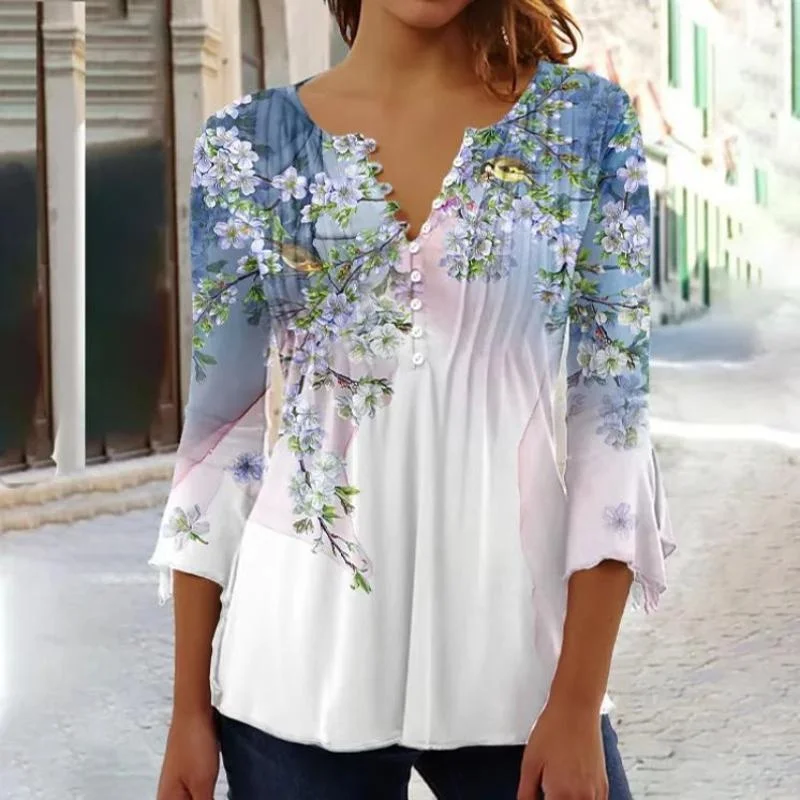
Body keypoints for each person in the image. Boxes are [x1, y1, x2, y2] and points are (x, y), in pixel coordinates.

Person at [152, 0, 676, 797]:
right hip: (291, 678)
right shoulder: (247, 146)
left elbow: (614, 421)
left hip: (522, 674)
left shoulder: (585, 126)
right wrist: (188, 710)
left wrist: (576, 700)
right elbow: (222, 438)